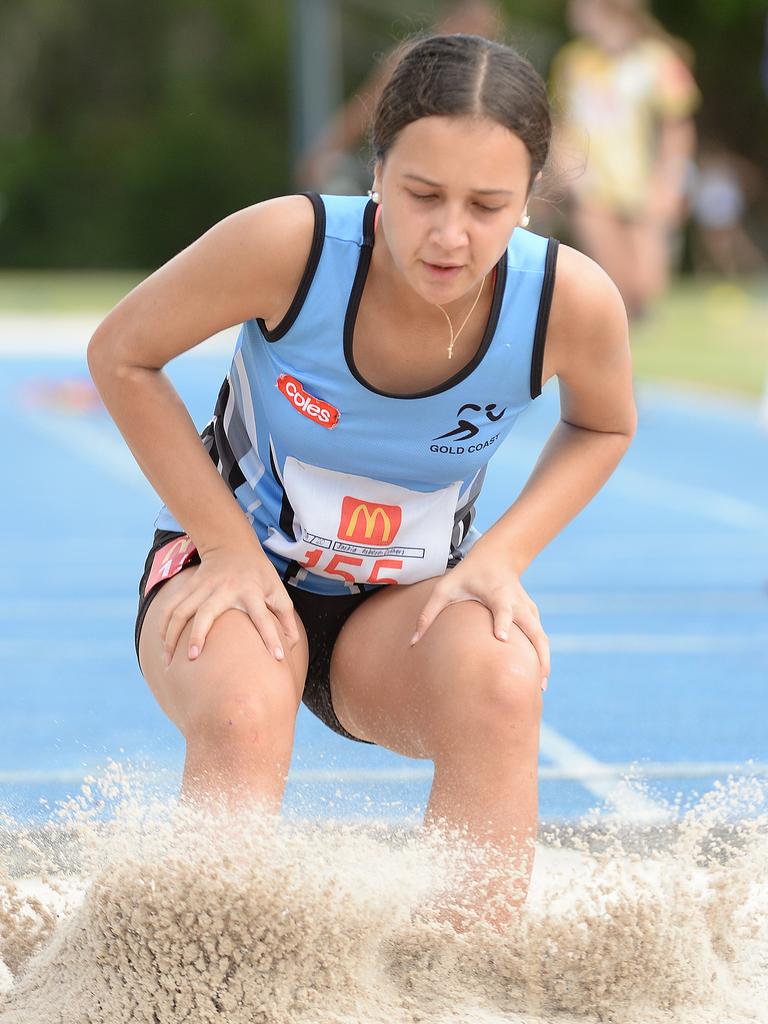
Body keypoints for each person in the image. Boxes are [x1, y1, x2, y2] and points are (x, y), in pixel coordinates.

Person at [87, 32, 637, 933]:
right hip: (233, 569)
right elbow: (121, 353)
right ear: (376, 171)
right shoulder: (290, 247)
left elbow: (605, 423)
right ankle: (196, 969)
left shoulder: (566, 302)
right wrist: (224, 543)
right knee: (243, 706)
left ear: (530, 202)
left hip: (393, 613)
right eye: (422, 195)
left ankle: (461, 974)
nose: (449, 235)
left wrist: (502, 557)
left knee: (505, 675)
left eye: (487, 205)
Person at [549, 0, 700, 319]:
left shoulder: (658, 60)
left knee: (644, 289)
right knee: (613, 284)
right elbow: (562, 125)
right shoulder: (572, 62)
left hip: (645, 184)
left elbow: (678, 127)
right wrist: (570, 175)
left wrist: (670, 182)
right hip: (593, 186)